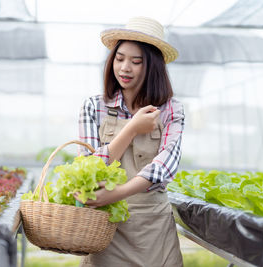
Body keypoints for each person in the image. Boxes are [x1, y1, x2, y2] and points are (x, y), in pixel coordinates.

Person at [76, 16, 185, 267]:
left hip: (153, 229)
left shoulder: (171, 110)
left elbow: (165, 166)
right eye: (120, 58)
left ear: (153, 67)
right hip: (105, 229)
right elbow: (89, 167)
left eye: (136, 61)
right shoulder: (94, 107)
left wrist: (116, 194)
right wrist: (132, 128)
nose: (125, 68)